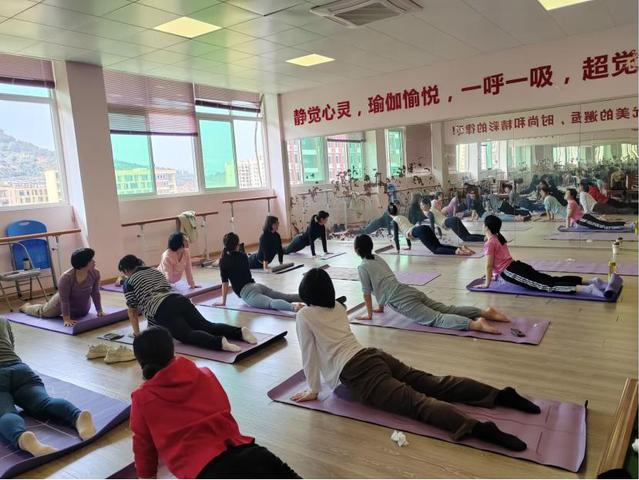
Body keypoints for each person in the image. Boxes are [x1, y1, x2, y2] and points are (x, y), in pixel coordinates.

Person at [292, 267, 536, 452]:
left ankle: (478, 428)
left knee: (417, 403)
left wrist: (313, 389)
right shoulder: (337, 306)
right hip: (373, 355)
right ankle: (501, 395)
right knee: (436, 383)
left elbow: (308, 353)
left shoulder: (304, 316)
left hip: (356, 373)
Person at [130, 326, 299, 479]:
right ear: (172, 350)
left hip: (207, 472)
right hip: (251, 454)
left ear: (140, 361)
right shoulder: (205, 374)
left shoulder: (142, 397)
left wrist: (147, 476)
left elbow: (143, 448)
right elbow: (224, 410)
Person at [354, 234, 506, 333]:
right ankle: (484, 312)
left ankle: (476, 324)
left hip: (399, 299)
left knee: (436, 318)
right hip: (407, 290)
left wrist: (369, 314)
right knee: (447, 309)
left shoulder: (362, 267)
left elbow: (367, 292)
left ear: (357, 250)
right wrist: (380, 307)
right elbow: (382, 282)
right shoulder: (377, 258)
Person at [0, 317, 96, 456]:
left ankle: (23, 437)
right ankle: (78, 416)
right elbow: (11, 345)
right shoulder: (2, 319)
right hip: (20, 369)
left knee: (6, 413)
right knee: (44, 402)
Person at [118, 255, 253, 353]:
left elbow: (132, 310)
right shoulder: (155, 271)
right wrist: (152, 330)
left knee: (186, 334)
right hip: (180, 299)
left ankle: (219, 342)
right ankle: (240, 332)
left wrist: (137, 334)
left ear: (125, 270)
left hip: (162, 307)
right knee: (207, 325)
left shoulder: (129, 282)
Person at [478, 215, 611, 296]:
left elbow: (489, 266)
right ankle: (590, 281)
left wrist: (486, 284)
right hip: (516, 265)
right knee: (550, 279)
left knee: (546, 286)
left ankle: (588, 289)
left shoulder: (490, 243)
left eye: (484, 224)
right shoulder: (498, 237)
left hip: (510, 272)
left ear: (487, 227)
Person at [217, 233, 302, 312]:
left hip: (247, 293)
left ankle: (294, 307)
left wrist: (223, 301)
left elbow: (225, 283)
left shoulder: (223, 261)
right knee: (286, 296)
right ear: (237, 245)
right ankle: (308, 297)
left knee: (270, 303)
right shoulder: (243, 256)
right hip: (257, 286)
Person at [20, 248, 103, 327]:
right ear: (83, 263)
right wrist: (66, 319)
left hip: (80, 305)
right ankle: (26, 307)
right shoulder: (66, 277)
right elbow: (64, 300)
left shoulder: (95, 273)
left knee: (81, 314)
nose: (94, 261)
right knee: (43, 312)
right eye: (91, 260)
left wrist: (99, 311)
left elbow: (95, 292)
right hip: (60, 303)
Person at [388, 203, 475, 255]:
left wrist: (398, 250)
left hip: (419, 231)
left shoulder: (394, 221)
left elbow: (396, 237)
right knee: (439, 246)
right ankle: (460, 248)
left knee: (436, 250)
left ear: (389, 213)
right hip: (423, 228)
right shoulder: (402, 217)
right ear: (397, 211)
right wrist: (409, 246)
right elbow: (406, 231)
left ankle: (458, 251)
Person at [565, 189, 634, 231]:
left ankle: (628, 225)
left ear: (571, 196)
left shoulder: (571, 203)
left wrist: (567, 228)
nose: (565, 194)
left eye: (566, 193)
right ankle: (628, 224)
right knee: (604, 224)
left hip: (583, 219)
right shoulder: (572, 202)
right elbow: (573, 216)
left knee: (604, 226)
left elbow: (568, 216)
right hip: (584, 218)